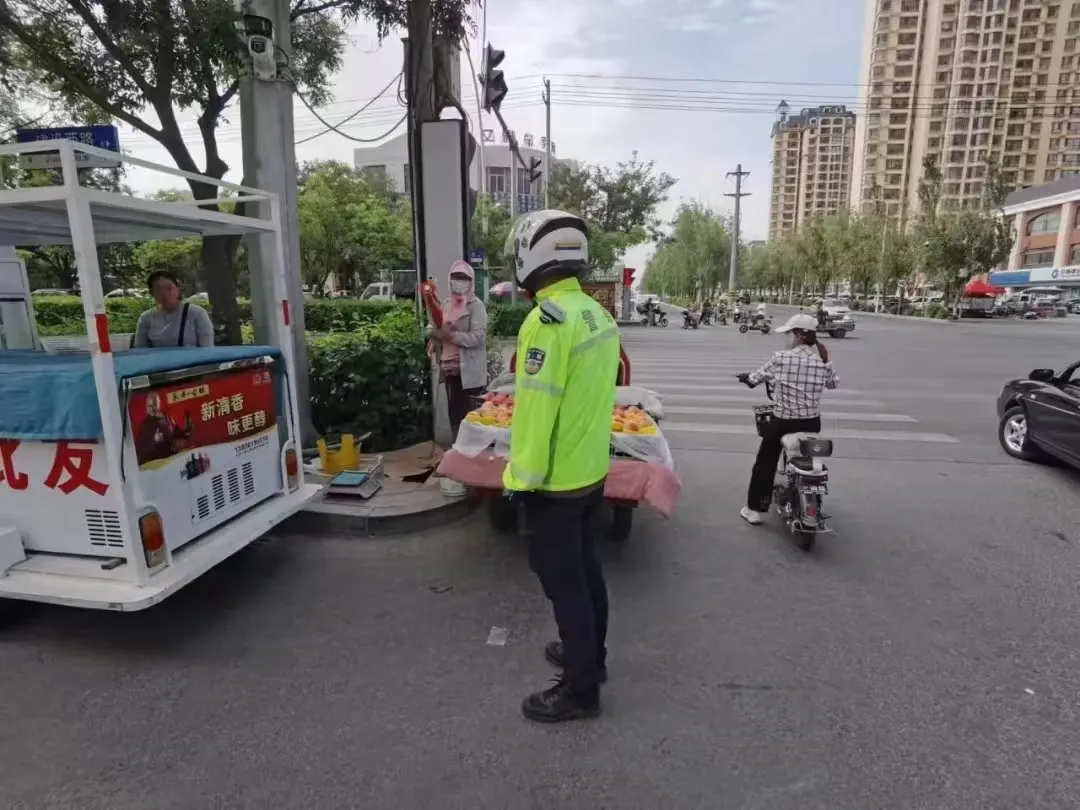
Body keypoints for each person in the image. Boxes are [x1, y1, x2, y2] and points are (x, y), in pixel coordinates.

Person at [502, 209, 620, 723]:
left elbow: (536, 411)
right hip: (590, 472)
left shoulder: (547, 322)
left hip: (556, 481)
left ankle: (579, 691)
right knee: (587, 572)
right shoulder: (596, 313)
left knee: (563, 582)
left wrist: (519, 481)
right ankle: (591, 659)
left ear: (534, 256)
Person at [737, 313, 837, 526]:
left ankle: (754, 510)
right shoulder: (822, 360)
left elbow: (755, 378)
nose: (790, 338)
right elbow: (832, 384)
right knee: (812, 459)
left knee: (765, 463)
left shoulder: (781, 358)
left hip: (782, 423)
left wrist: (747, 378)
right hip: (811, 422)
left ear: (799, 335)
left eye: (792, 334)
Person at [427, 260, 488, 441]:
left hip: (469, 372)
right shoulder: (446, 304)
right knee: (454, 415)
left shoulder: (476, 306)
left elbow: (477, 338)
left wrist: (451, 336)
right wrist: (434, 334)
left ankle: (473, 456)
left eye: (464, 278)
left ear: (471, 281)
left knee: (472, 418)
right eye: (455, 277)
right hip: (450, 371)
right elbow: (431, 326)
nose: (459, 281)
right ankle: (457, 452)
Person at [133, 270, 214, 348]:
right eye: (158, 289)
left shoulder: (197, 313)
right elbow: (140, 350)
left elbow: (207, 349)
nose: (165, 294)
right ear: (152, 293)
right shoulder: (146, 318)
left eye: (169, 288)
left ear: (177, 288)